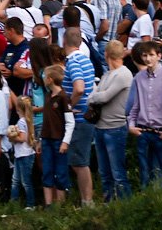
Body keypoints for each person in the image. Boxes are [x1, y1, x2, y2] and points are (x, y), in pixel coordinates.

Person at [129, 41, 162, 186]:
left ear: (159, 56)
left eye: (151, 55)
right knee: (145, 174)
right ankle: (148, 202)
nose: (148, 59)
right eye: (145, 55)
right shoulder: (139, 78)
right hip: (143, 131)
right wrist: (131, 125)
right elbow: (136, 105)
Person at [87, 40, 132, 201]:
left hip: (115, 128)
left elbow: (103, 96)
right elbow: (95, 96)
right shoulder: (107, 74)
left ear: (106, 55)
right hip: (100, 127)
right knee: (104, 172)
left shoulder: (124, 74)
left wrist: (94, 97)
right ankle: (108, 203)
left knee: (118, 172)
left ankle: (125, 204)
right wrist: (95, 97)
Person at [62, 27, 96, 206]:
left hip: (79, 119)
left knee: (79, 162)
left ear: (64, 41)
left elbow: (79, 88)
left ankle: (87, 201)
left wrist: (68, 107)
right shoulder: (86, 60)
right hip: (86, 117)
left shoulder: (73, 61)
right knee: (79, 161)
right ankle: (86, 199)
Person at [41, 65, 74, 204]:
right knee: (47, 171)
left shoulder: (63, 97)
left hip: (58, 140)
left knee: (60, 172)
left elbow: (70, 122)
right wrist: (39, 139)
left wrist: (65, 141)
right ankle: (48, 204)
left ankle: (61, 205)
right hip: (46, 139)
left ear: (49, 79)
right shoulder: (48, 96)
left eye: (44, 76)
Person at [9, 96, 37, 209]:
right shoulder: (28, 119)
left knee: (25, 181)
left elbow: (22, 138)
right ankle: (13, 202)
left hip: (24, 155)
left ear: (18, 108)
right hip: (22, 154)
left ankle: (31, 204)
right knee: (16, 180)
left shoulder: (21, 121)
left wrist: (11, 137)